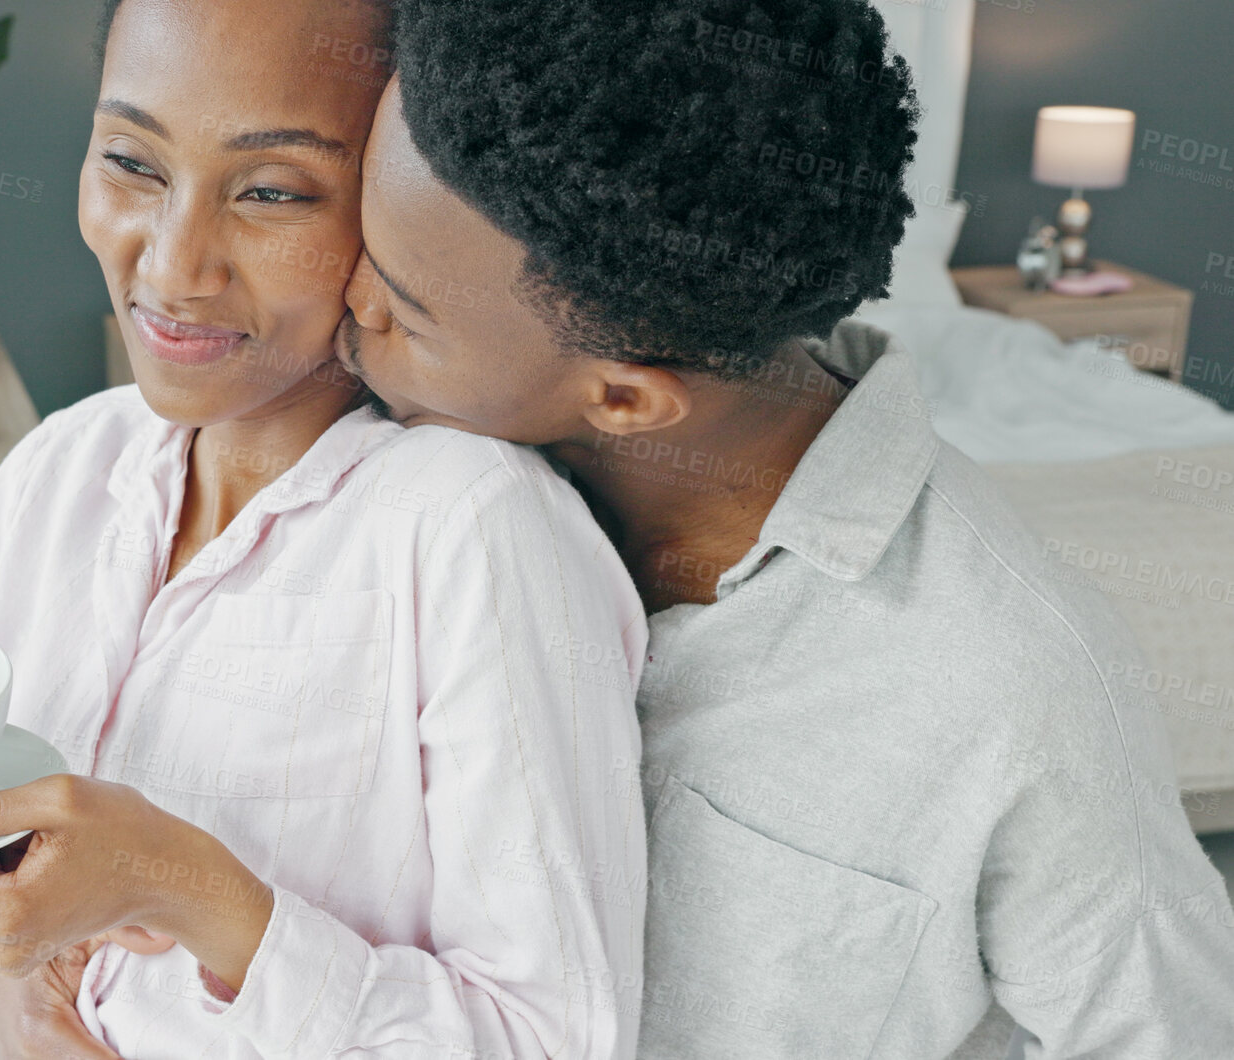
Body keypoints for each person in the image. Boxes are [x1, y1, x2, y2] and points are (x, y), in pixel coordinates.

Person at [0, 0, 648, 1057]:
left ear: (397, 204)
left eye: (271, 191)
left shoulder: (475, 531)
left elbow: (556, 1037)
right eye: (132, 161)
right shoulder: (58, 474)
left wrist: (192, 890)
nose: (171, 265)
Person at [329, 0, 1234, 1056]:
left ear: (624, 400)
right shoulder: (396, 458)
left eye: (400, 306)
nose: (341, 305)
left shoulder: (1019, 691)